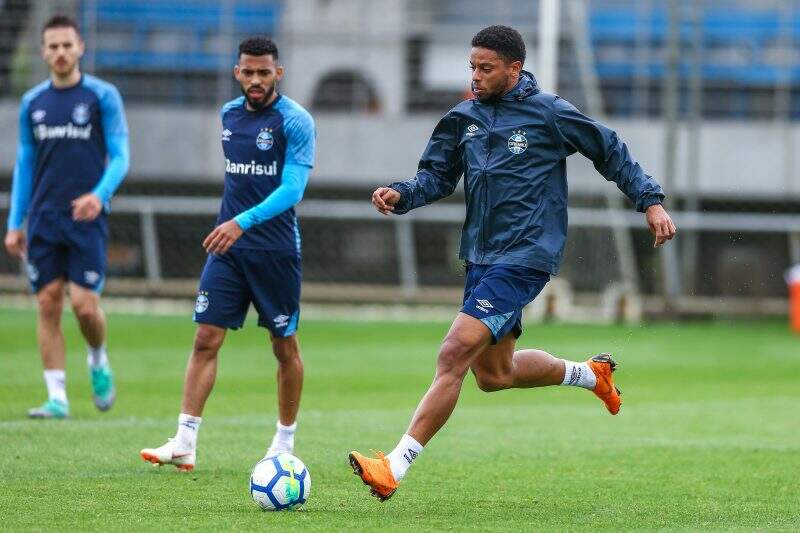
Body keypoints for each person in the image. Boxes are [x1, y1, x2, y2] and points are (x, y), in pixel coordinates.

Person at [349, 25, 676, 500]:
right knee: (494, 375)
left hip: (525, 255)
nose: (476, 76)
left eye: (486, 68)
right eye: (472, 67)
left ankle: (393, 467)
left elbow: (609, 149)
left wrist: (650, 200)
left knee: (452, 353)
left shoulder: (548, 113)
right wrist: (401, 194)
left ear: (514, 68)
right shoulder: (462, 118)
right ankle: (590, 374)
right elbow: (436, 177)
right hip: (481, 258)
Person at [140, 37, 315, 471]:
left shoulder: (295, 121)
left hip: (274, 250)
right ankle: (184, 440)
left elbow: (292, 189)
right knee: (205, 338)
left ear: (279, 72)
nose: (256, 80)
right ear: (237, 72)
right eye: (248, 72)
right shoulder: (228, 115)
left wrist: (243, 221)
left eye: (264, 72)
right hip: (229, 249)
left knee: (283, 345)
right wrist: (233, 227)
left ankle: (285, 441)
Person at [4, 15, 130, 419]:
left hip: (85, 217)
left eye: (66, 45)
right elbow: (25, 162)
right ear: (43, 52)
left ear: (80, 48)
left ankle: (97, 359)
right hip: (43, 217)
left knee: (85, 307)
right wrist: (14, 222)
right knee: (47, 302)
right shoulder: (33, 103)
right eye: (52, 46)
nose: (60, 52)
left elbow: (122, 154)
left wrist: (99, 194)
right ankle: (57, 397)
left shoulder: (102, 96)